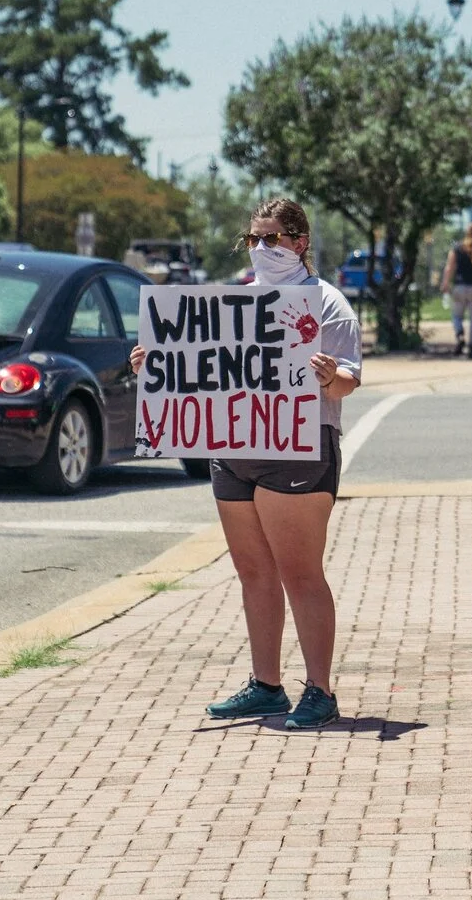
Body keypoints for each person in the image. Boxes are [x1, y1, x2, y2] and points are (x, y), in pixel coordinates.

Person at [129, 196, 361, 732]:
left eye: (270, 238)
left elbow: (348, 381)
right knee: (253, 571)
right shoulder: (234, 302)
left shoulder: (326, 304)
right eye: (252, 239)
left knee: (300, 573)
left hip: (298, 452)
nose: (260, 248)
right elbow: (205, 371)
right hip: (233, 451)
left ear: (299, 243)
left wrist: (329, 377)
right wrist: (154, 361)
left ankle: (320, 689)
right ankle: (266, 685)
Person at [436, 224, 472, 358]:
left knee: (456, 316)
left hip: (459, 287)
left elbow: (449, 267)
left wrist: (445, 283)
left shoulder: (457, 248)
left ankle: (459, 335)